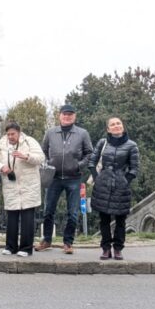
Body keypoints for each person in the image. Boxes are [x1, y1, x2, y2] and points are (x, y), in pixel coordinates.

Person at [39, 104, 94, 254]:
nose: (67, 116)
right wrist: (47, 163)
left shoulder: (82, 133)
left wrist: (79, 165)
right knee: (48, 210)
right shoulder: (50, 132)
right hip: (54, 177)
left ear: (74, 116)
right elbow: (42, 151)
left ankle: (68, 243)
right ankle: (47, 240)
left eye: (70, 114)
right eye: (65, 114)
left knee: (73, 213)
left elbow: (89, 153)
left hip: (74, 178)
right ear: (60, 116)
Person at [0, 122, 45, 257]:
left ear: (19, 132)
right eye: (8, 134)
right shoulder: (2, 143)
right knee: (12, 216)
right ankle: (10, 246)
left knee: (27, 217)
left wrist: (26, 157)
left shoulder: (30, 142)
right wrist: (1, 167)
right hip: (11, 185)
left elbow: (41, 158)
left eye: (13, 134)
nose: (10, 137)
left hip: (28, 185)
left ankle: (26, 248)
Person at [89, 117, 140, 261]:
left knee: (120, 219)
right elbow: (92, 162)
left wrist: (125, 181)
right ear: (108, 129)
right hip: (103, 184)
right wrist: (97, 178)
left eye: (118, 123)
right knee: (104, 219)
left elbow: (134, 168)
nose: (116, 126)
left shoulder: (132, 145)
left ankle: (118, 248)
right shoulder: (102, 143)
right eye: (113, 124)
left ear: (123, 127)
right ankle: (106, 248)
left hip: (121, 185)